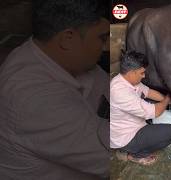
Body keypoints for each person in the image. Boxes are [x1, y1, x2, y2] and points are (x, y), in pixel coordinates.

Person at [0, 0, 109, 179]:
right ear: (67, 39)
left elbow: (109, 90)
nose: (106, 47)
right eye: (102, 38)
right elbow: (112, 159)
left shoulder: (64, 58)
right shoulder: (34, 98)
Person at [110, 50, 171, 165]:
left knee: (169, 117)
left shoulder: (129, 81)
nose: (144, 75)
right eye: (142, 73)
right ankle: (134, 154)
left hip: (136, 124)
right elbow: (156, 111)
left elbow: (149, 92)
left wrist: (168, 100)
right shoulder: (119, 91)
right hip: (126, 137)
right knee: (170, 132)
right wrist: (167, 98)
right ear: (132, 72)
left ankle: (139, 144)